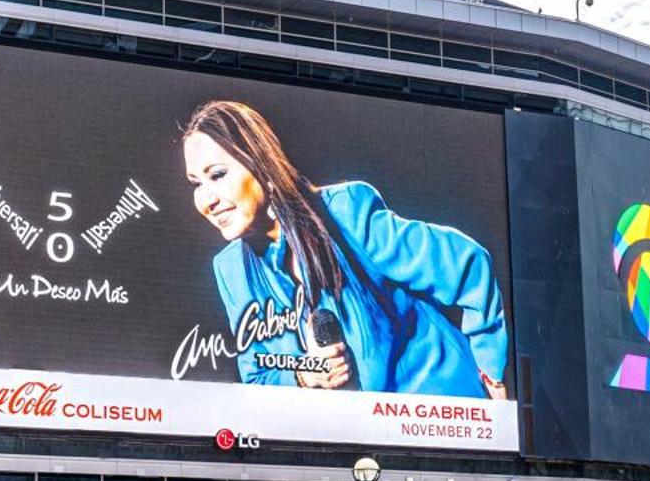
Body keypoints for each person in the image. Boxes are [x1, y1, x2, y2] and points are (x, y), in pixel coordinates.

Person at [180, 99, 509, 399]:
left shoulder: (346, 212)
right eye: (196, 183)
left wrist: (489, 371)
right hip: (358, 442)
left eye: (217, 175)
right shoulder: (230, 269)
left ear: (261, 165)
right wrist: (304, 376)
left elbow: (469, 265)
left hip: (440, 412)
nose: (206, 200)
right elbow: (255, 377)